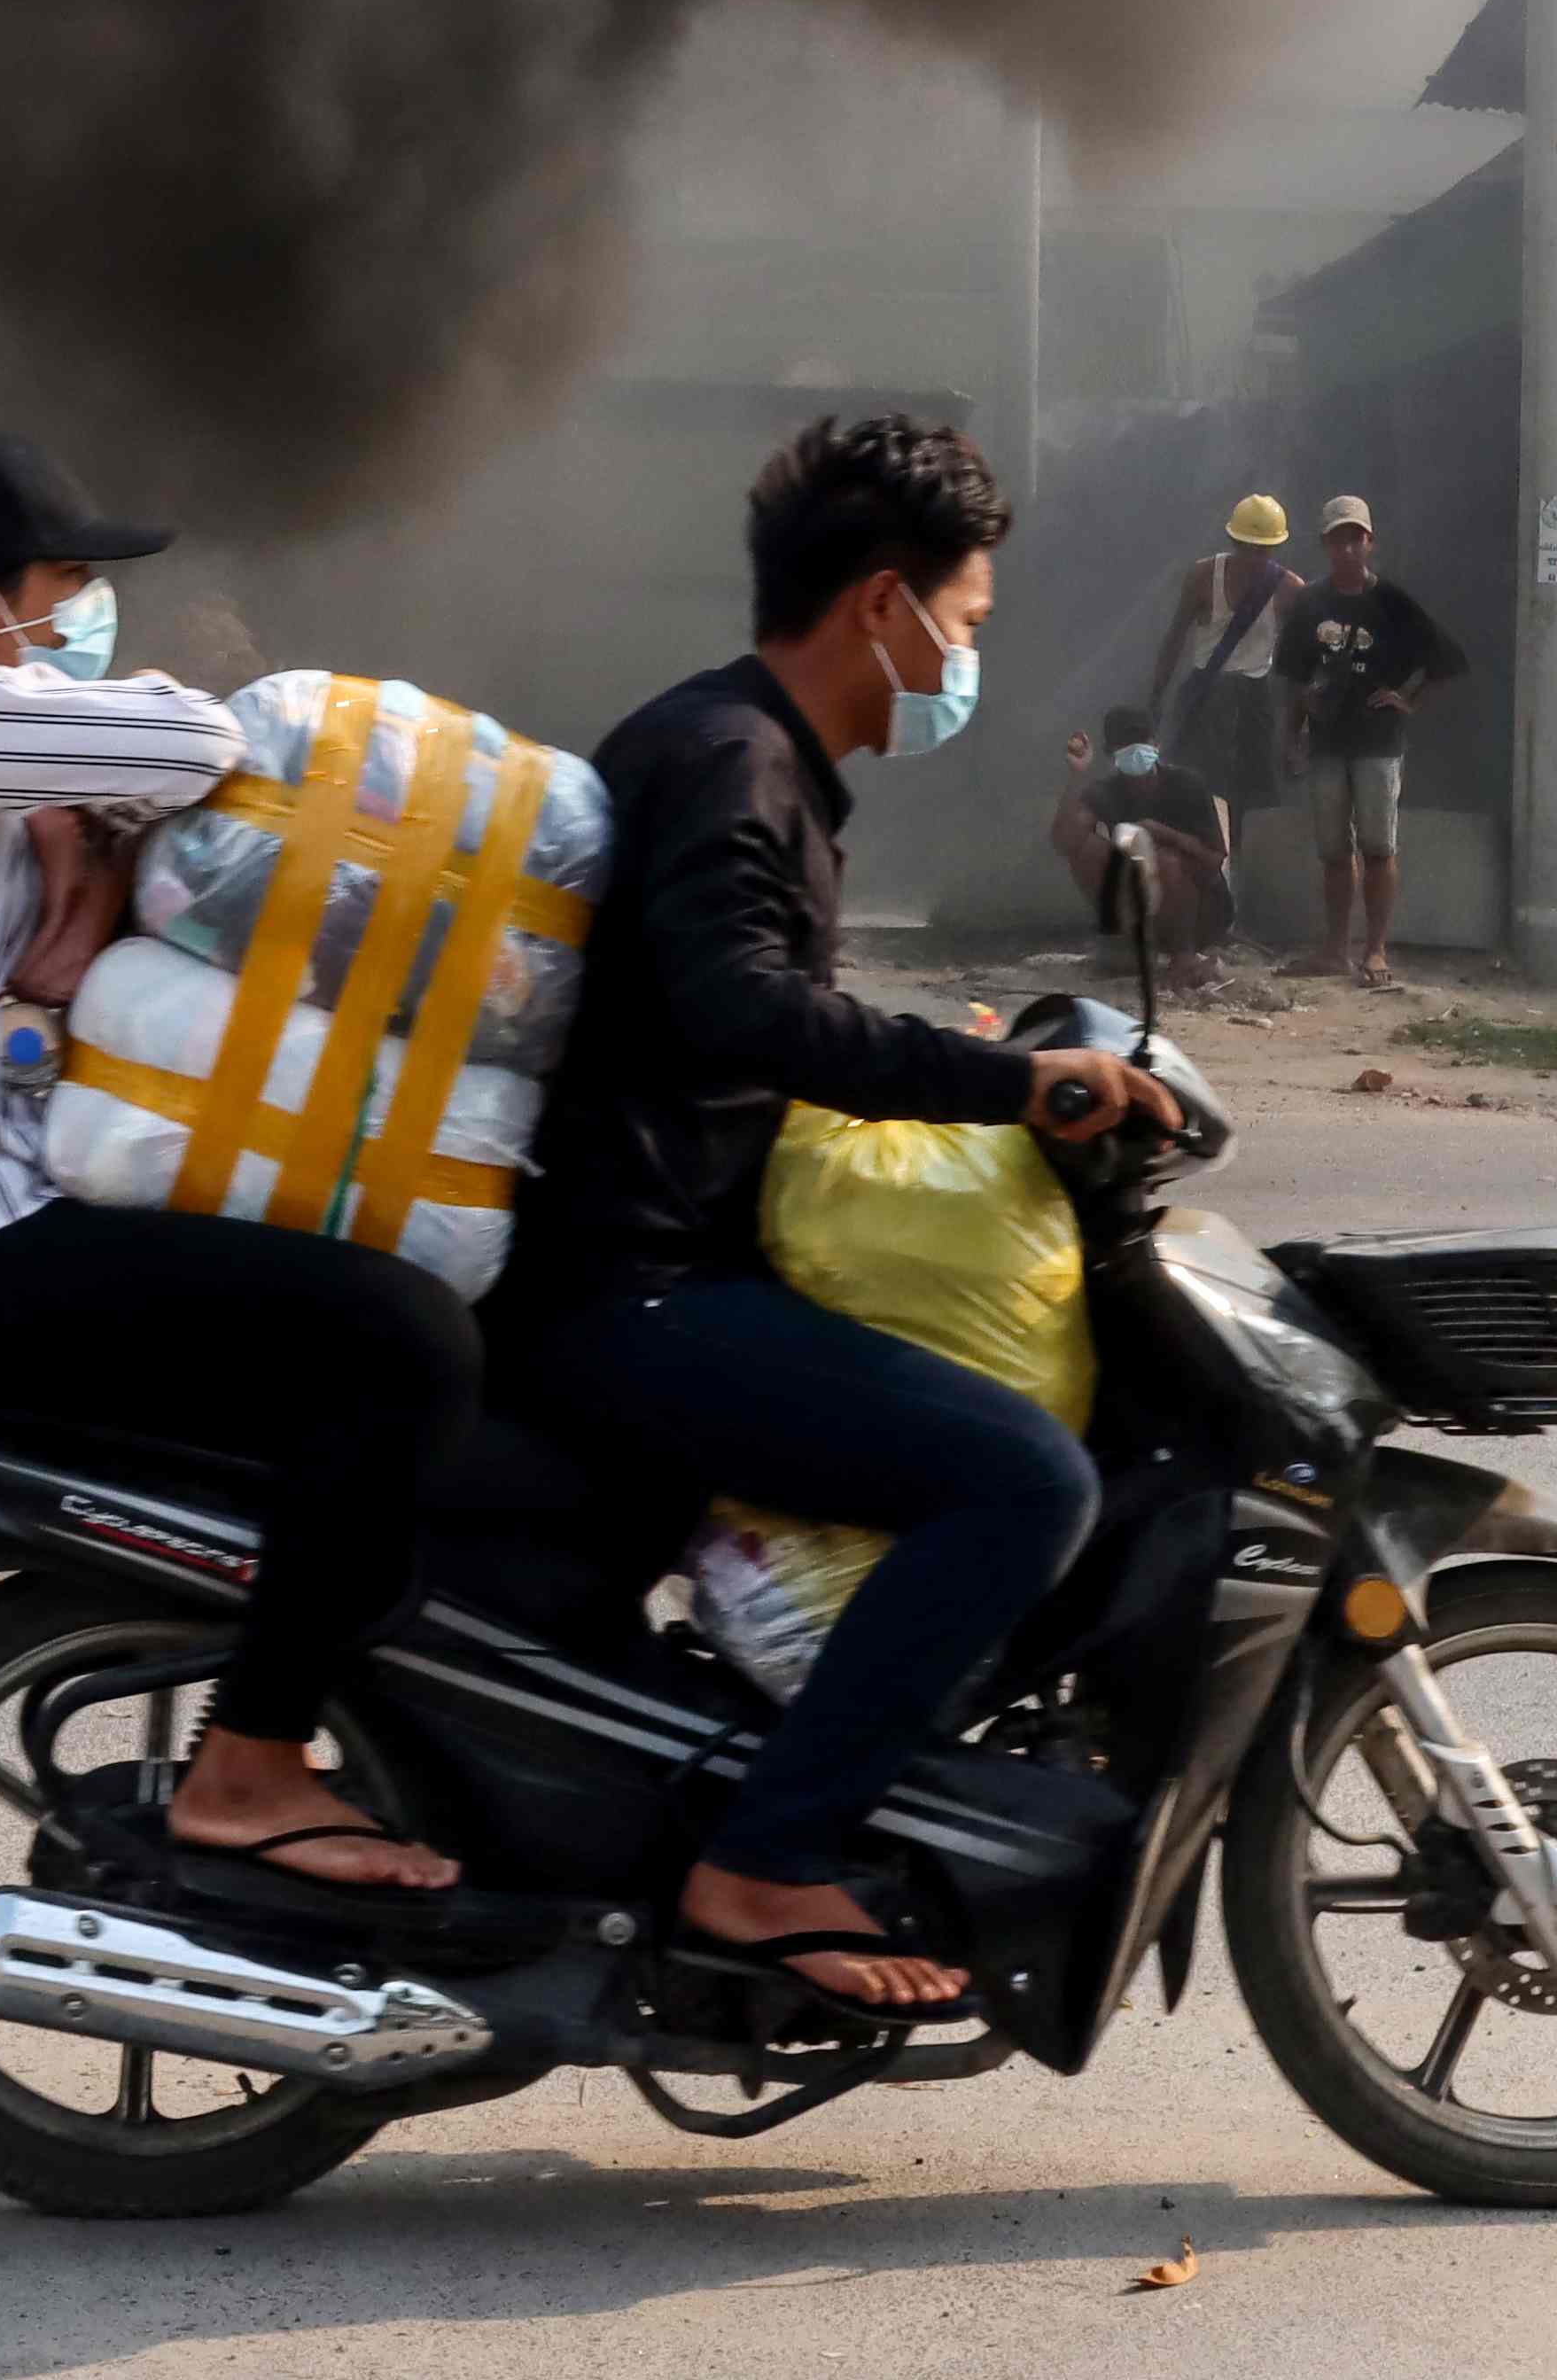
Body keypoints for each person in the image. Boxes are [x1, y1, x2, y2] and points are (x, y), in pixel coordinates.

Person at [0, 433, 475, 1896]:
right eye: (65, 584)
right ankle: (252, 1762)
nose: (83, 612)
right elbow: (192, 747)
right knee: (407, 1341)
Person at [503, 414, 1173, 2018]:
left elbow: (743, 1005)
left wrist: (967, 1063)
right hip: (632, 1288)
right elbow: (744, 1009)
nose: (961, 655)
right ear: (882, 603)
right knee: (1020, 1478)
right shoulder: (733, 761)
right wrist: (1007, 1087)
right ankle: (768, 1853)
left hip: (650, 1260)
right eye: (965, 619)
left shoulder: (746, 756)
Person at [1266, 495, 1464, 984]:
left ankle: (1375, 950)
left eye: (1355, 538)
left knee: (1378, 848)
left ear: (1370, 543)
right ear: (1325, 545)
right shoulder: (1311, 604)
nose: (1347, 548)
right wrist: (1292, 735)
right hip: (1328, 741)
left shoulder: (1393, 603)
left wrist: (1407, 698)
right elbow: (1292, 677)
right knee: (1333, 851)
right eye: (1338, 539)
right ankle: (1335, 950)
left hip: (1378, 742)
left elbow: (1446, 660)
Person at [1140, 495, 1306, 825]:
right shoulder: (1204, 576)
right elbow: (1175, 638)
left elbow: (1299, 662)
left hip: (1254, 696)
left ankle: (1238, 863)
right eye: (1247, 548)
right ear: (1234, 542)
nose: (1255, 558)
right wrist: (1157, 697)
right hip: (1206, 691)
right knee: (1196, 785)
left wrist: (1296, 731)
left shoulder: (1288, 589)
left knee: (1248, 794)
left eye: (1263, 550)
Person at [1054, 723, 1237, 963]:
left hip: (1202, 909)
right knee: (1087, 850)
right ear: (1112, 756)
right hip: (1143, 906)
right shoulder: (1107, 791)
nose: (1135, 753)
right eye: (1125, 747)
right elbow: (1065, 842)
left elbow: (1214, 859)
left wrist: (1166, 835)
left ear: (1156, 746)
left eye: (1140, 744)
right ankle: (1124, 941)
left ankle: (1184, 952)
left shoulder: (1187, 784)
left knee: (1166, 861)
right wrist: (1077, 775)